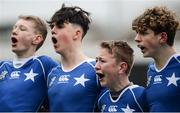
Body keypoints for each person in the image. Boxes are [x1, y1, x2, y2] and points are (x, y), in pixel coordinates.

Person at [47, 4, 102, 112]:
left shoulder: (97, 69)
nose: (53, 30)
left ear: (76, 34)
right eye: (52, 26)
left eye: (60, 26)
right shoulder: (52, 74)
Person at [0, 15, 58, 111]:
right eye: (14, 28)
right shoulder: (2, 66)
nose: (14, 31)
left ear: (36, 39)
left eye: (22, 29)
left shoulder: (44, 64)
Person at [132, 6, 180, 112]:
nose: (136, 39)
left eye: (143, 33)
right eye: (137, 33)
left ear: (162, 37)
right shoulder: (151, 69)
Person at [95, 40, 148, 112]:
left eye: (102, 61)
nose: (96, 66)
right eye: (96, 61)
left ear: (122, 67)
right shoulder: (101, 98)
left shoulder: (140, 95)